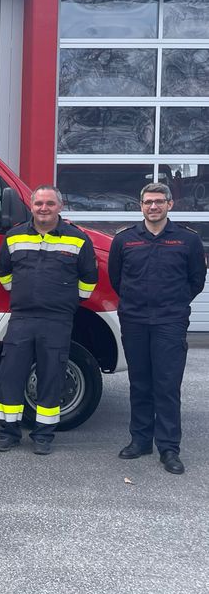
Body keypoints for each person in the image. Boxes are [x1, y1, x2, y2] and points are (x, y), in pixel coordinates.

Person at [108, 182, 206, 475]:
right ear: (141, 206)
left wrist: (173, 305)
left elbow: (196, 280)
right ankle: (140, 441)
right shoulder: (124, 240)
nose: (153, 206)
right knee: (140, 383)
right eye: (148, 202)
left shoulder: (187, 240)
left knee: (167, 385)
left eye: (159, 201)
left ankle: (168, 447)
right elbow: (116, 278)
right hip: (135, 320)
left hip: (170, 322)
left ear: (170, 204)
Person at [0, 185, 98, 455]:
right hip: (22, 317)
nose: (43, 208)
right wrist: (18, 293)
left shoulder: (77, 239)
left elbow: (89, 278)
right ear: (31, 206)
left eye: (49, 203)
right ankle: (9, 433)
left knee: (51, 377)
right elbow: (3, 271)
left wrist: (70, 303)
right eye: (39, 203)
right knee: (11, 376)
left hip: (57, 319)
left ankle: (43, 435)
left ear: (59, 207)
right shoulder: (14, 236)